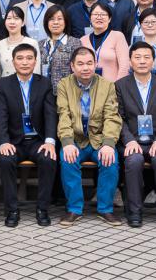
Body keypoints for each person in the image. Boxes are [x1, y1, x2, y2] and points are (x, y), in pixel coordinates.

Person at [56, 47, 122, 226]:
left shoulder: (107, 86)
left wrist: (108, 143)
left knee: (110, 160)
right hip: (76, 140)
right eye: (80, 64)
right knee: (68, 159)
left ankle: (105, 209)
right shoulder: (64, 85)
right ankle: (74, 209)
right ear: (72, 66)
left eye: (89, 63)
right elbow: (63, 115)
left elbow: (111, 117)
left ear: (95, 64)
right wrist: (67, 142)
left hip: (98, 140)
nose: (85, 68)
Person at [0, 44, 58, 227]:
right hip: (14, 141)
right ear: (13, 61)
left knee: (48, 158)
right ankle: (12, 210)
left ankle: (42, 209)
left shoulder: (44, 83)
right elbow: (1, 116)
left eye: (29, 58)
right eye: (20, 58)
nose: (25, 62)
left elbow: (50, 114)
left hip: (37, 140)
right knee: (5, 160)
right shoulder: (3, 84)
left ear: (35, 61)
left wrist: (50, 141)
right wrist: (3, 142)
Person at [115, 43, 156, 229]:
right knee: (133, 160)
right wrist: (129, 141)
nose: (142, 61)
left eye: (146, 57)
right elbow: (118, 118)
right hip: (132, 141)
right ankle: (134, 211)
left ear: (153, 62)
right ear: (130, 61)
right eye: (137, 57)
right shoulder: (120, 85)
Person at [80, 2, 130, 80]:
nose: (99, 17)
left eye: (103, 14)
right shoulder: (83, 40)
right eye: (96, 14)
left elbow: (125, 66)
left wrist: (117, 86)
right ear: (90, 18)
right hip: (88, 86)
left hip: (113, 86)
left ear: (109, 19)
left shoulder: (117, 36)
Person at [39, 5, 82, 85]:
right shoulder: (40, 44)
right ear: (46, 22)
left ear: (65, 22)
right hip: (43, 90)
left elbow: (79, 70)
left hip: (66, 90)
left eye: (59, 19)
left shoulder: (75, 43)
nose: (56, 22)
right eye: (51, 19)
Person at [0, 6, 41, 78]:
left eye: (16, 18)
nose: (12, 22)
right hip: (5, 84)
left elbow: (36, 71)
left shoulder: (32, 43)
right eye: (9, 18)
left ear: (22, 23)